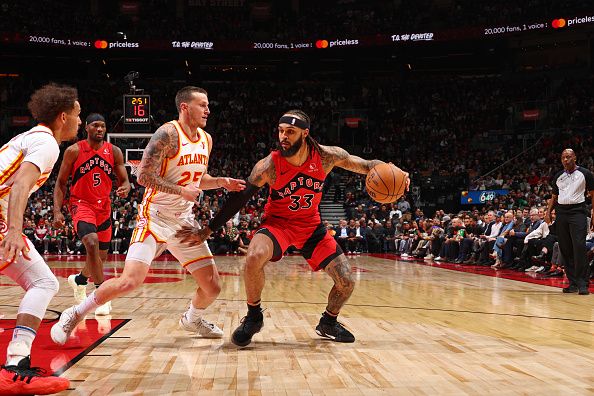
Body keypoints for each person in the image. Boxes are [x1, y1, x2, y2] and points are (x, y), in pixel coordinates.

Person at [177, 110, 409, 346]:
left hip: (311, 227)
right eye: (280, 131)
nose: (283, 136)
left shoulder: (326, 156)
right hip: (278, 224)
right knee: (254, 256)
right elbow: (240, 198)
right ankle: (254, 316)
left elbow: (370, 165)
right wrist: (208, 229)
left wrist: (397, 173)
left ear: (305, 134)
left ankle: (328, 322)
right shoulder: (269, 165)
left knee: (347, 281)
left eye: (290, 132)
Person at [51, 86, 245, 345]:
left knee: (213, 287)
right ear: (185, 107)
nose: (208, 109)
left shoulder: (206, 139)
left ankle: (192, 319)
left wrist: (221, 181)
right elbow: (143, 176)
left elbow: (198, 179)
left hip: (183, 221)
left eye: (208, 104)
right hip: (155, 217)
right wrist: (180, 191)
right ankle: (74, 313)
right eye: (202, 104)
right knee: (130, 281)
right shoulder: (167, 133)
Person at [0, 83, 79, 394]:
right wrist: (15, 231)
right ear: (62, 116)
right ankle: (14, 366)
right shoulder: (47, 144)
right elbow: (20, 185)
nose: (80, 121)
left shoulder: (28, 137)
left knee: (43, 282)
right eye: (77, 114)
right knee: (44, 283)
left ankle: (15, 363)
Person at [53, 113, 130, 315]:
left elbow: (124, 180)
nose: (100, 129)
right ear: (86, 127)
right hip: (81, 204)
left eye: (103, 126)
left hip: (104, 207)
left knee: (98, 258)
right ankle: (101, 296)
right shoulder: (73, 150)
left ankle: (79, 280)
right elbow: (60, 183)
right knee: (92, 243)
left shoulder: (114, 151)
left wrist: (126, 187)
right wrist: (57, 211)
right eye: (95, 126)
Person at [545, 149, 594, 295]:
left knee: (579, 246)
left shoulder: (586, 174)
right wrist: (548, 212)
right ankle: (572, 283)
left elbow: (593, 195)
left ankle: (582, 282)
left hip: (578, 212)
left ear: (575, 158)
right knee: (565, 248)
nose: (566, 160)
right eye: (563, 157)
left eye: (569, 157)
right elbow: (554, 197)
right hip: (561, 213)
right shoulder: (558, 176)